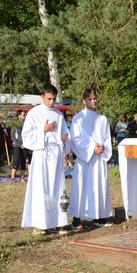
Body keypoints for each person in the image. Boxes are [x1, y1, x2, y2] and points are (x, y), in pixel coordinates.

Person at [21, 84, 70, 235]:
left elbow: (65, 134)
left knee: (57, 188)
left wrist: (64, 139)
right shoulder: (34, 113)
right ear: (42, 97)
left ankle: (58, 222)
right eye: (49, 99)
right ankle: (40, 223)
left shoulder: (58, 114)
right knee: (41, 188)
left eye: (54, 99)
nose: (52, 102)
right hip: (41, 153)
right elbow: (27, 136)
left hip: (55, 154)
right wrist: (43, 130)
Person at [68, 89, 113, 229]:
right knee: (81, 187)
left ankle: (99, 216)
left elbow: (106, 137)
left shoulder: (102, 119)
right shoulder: (78, 118)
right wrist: (92, 147)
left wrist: (103, 147)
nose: (93, 101)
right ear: (84, 101)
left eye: (95, 99)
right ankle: (77, 218)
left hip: (98, 159)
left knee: (99, 186)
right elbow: (76, 138)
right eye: (90, 99)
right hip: (85, 159)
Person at [10, 110, 29, 181]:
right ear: (19, 116)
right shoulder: (14, 124)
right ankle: (13, 177)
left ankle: (22, 177)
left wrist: (25, 144)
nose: (25, 116)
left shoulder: (26, 124)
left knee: (23, 160)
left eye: (25, 115)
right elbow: (12, 136)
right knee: (16, 160)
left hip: (25, 145)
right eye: (23, 115)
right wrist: (19, 144)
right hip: (17, 145)